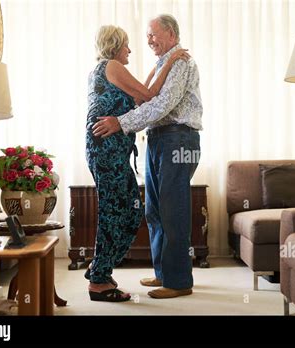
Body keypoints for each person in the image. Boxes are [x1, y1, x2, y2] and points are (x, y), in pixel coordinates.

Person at [92, 14, 203, 299]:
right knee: (154, 210)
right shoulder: (164, 63)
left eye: (153, 34)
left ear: (172, 35)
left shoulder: (181, 62)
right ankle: (163, 273)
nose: (148, 40)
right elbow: (146, 95)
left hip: (178, 138)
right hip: (158, 139)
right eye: (146, 36)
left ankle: (178, 282)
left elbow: (161, 105)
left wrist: (121, 122)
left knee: (172, 209)